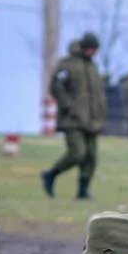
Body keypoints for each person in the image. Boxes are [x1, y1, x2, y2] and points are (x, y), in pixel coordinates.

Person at [42, 33, 107, 200]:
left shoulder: (93, 68)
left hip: (92, 121)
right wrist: (68, 106)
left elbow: (98, 94)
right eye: (92, 49)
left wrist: (100, 114)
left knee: (91, 157)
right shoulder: (67, 65)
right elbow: (56, 86)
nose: (93, 52)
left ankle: (82, 191)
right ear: (85, 47)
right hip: (72, 119)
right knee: (77, 153)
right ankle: (51, 174)